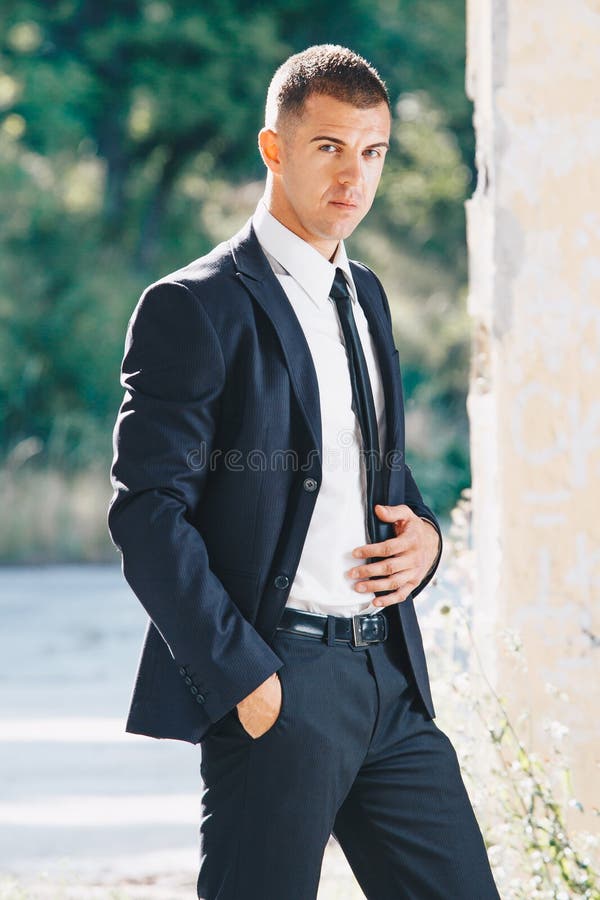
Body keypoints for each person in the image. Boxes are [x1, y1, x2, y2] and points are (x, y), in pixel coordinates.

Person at [108, 44, 500, 900]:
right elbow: (146, 513)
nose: (353, 176)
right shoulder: (194, 306)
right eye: (328, 147)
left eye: (373, 152)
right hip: (279, 681)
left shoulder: (367, 295)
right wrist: (244, 679)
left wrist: (425, 539)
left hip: (388, 681)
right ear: (274, 148)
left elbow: (381, 466)